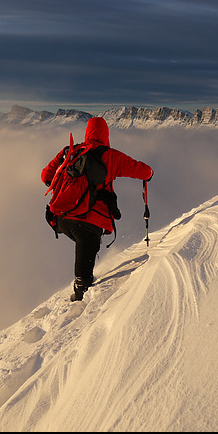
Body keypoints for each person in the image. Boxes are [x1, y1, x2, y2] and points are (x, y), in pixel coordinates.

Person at [41, 117, 153, 300]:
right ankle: (79, 301)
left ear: (87, 132)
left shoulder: (70, 151)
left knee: (81, 238)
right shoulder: (110, 156)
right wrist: (150, 174)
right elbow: (142, 171)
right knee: (84, 268)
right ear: (106, 134)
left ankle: (80, 290)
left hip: (61, 219)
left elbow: (45, 175)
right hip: (89, 224)